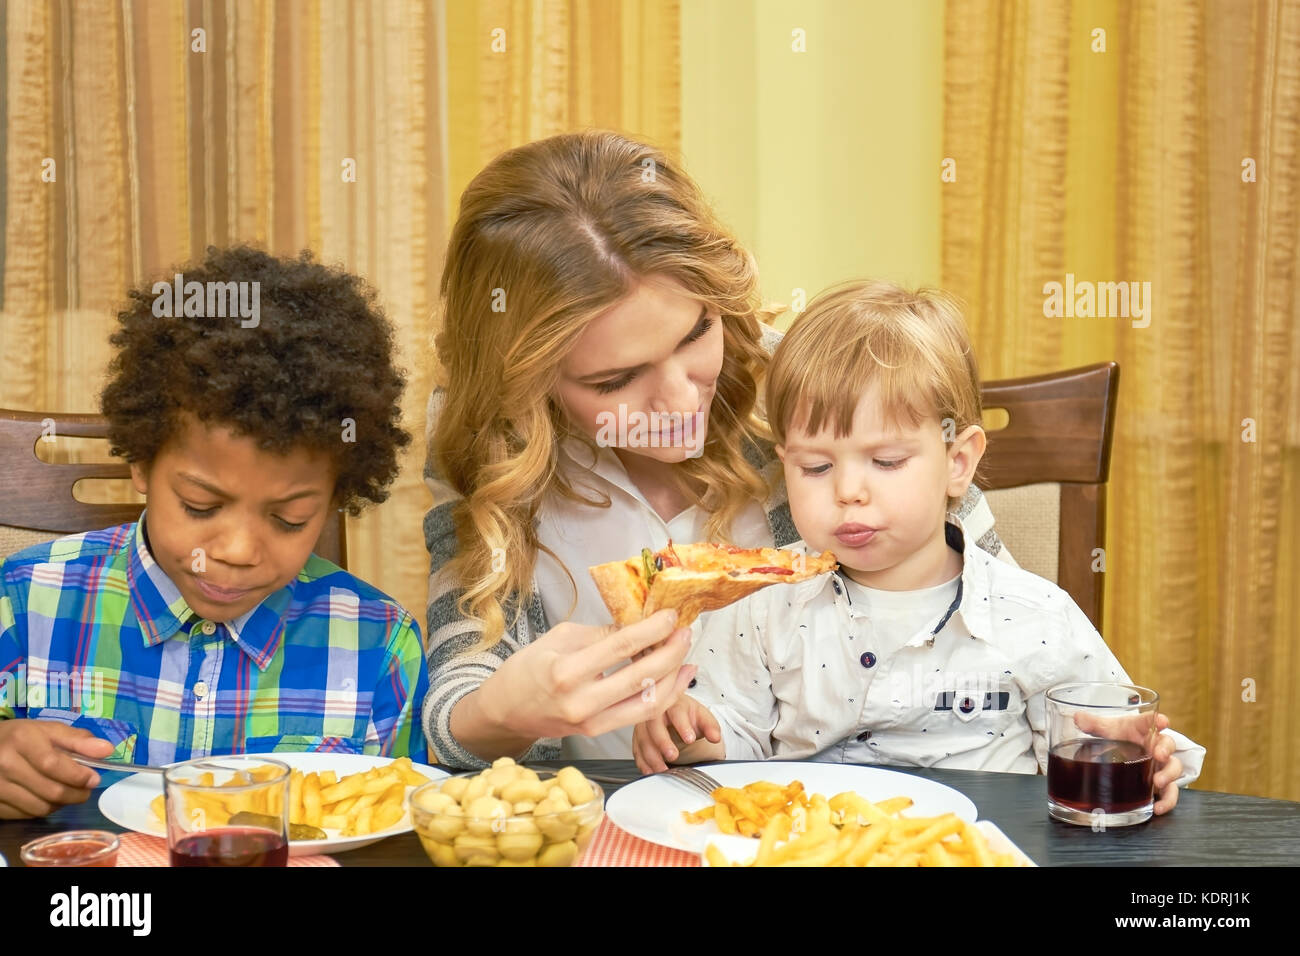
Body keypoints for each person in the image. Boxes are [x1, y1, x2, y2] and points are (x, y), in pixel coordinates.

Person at [423, 130, 1014, 768]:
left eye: (696, 332)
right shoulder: (495, 442)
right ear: (524, 383)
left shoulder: (816, 386)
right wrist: (499, 715)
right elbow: (458, 702)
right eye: (615, 381)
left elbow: (1004, 612)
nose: (680, 404)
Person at [632, 280, 1206, 814]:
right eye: (815, 466)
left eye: (886, 462)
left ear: (958, 461)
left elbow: (1108, 734)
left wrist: (1148, 760)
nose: (848, 491)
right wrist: (687, 733)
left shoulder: (1036, 617)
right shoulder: (761, 609)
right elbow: (735, 740)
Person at [0, 246, 429, 820]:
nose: (237, 552)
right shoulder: (23, 603)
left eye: (289, 520)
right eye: (200, 506)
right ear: (141, 463)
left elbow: (399, 829)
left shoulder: (378, 646)